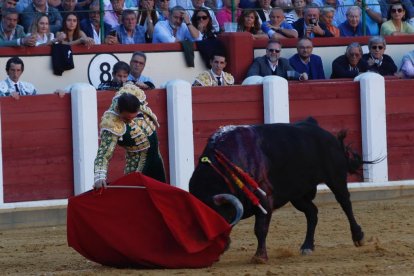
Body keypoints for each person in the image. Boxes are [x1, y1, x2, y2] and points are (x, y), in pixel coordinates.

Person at [93, 84, 166, 188]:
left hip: (156, 158)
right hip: (137, 165)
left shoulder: (132, 93)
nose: (130, 121)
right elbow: (104, 154)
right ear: (118, 110)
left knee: (160, 193)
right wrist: (99, 177)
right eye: (126, 119)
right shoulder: (111, 122)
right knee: (136, 198)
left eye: (134, 117)